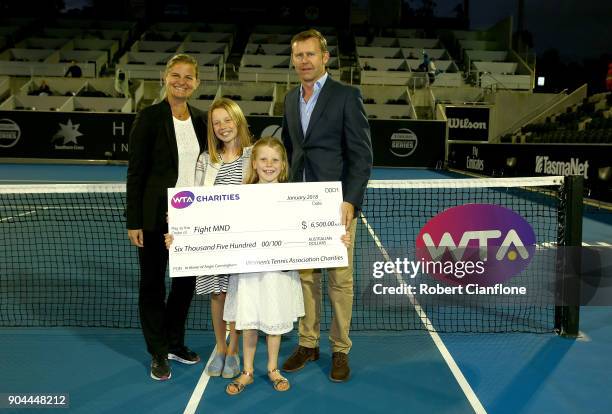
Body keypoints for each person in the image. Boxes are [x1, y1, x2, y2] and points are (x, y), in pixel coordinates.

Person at [165, 137, 349, 394]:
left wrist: (336, 238)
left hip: (279, 275)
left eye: (275, 160)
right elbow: (211, 225)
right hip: (248, 273)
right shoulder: (240, 195)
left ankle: (273, 369)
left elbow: (313, 232)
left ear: (283, 164)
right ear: (254, 162)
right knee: (248, 321)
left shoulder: (297, 197)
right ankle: (247, 371)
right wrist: (180, 235)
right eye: (263, 159)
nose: (269, 165)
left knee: (274, 321)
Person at [281, 29, 373, 382]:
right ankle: (308, 342)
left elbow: (362, 156)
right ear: (293, 59)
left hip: (334, 208)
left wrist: (350, 200)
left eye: (310, 55)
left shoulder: (347, 96)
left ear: (325, 58)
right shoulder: (290, 99)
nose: (304, 61)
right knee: (306, 279)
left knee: (339, 281)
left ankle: (340, 348)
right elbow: (291, 150)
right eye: (298, 55)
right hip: (299, 206)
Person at [126, 54, 207, 381]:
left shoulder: (203, 120)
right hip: (155, 217)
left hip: (193, 220)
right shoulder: (149, 117)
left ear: (197, 83)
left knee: (185, 286)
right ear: (165, 77)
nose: (182, 82)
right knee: (152, 285)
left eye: (189, 77)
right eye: (176, 75)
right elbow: (136, 173)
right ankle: (158, 352)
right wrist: (134, 220)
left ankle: (174, 342)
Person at [193, 97, 253, 379]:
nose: (222, 126)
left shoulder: (252, 156)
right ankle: (220, 348)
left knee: (237, 297)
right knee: (217, 295)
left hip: (242, 242)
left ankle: (234, 350)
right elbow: (195, 200)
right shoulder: (206, 160)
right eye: (216, 122)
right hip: (213, 243)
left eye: (227, 120)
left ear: (238, 121)